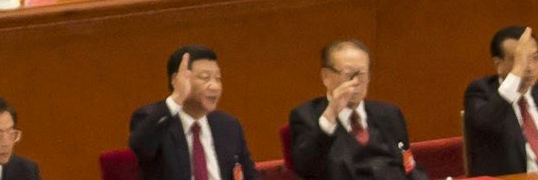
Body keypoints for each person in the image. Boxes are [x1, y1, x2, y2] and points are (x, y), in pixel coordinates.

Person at [283, 40, 411, 180]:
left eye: (361, 74)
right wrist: (331, 113)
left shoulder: (389, 114)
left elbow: (408, 167)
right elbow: (306, 168)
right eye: (348, 75)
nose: (355, 83)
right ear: (326, 77)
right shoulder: (305, 116)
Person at [463, 24, 538, 176]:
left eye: (534, 58)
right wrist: (516, 74)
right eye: (519, 60)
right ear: (498, 64)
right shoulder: (481, 92)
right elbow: (486, 123)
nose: (528, 67)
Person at [129, 47, 253, 180]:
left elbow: (251, 176)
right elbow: (140, 146)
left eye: (218, 78)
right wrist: (176, 98)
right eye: (205, 78)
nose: (215, 86)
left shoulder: (228, 126)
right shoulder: (155, 120)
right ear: (176, 80)